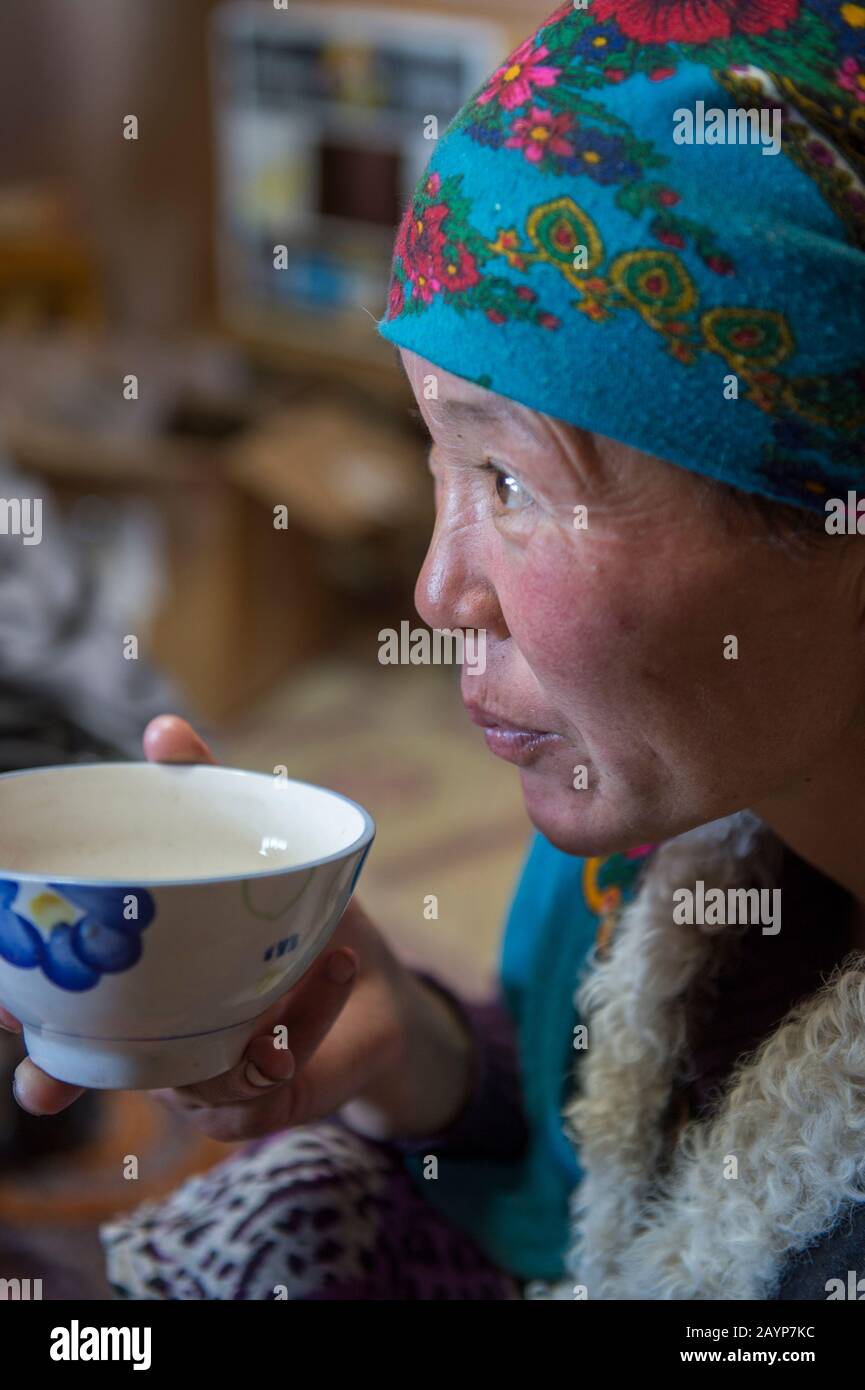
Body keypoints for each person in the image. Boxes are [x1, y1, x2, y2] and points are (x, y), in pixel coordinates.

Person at [6, 0, 865, 1299]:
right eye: (438, 464)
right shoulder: (647, 875)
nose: (435, 587)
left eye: (510, 481)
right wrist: (421, 1053)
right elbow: (605, 1184)